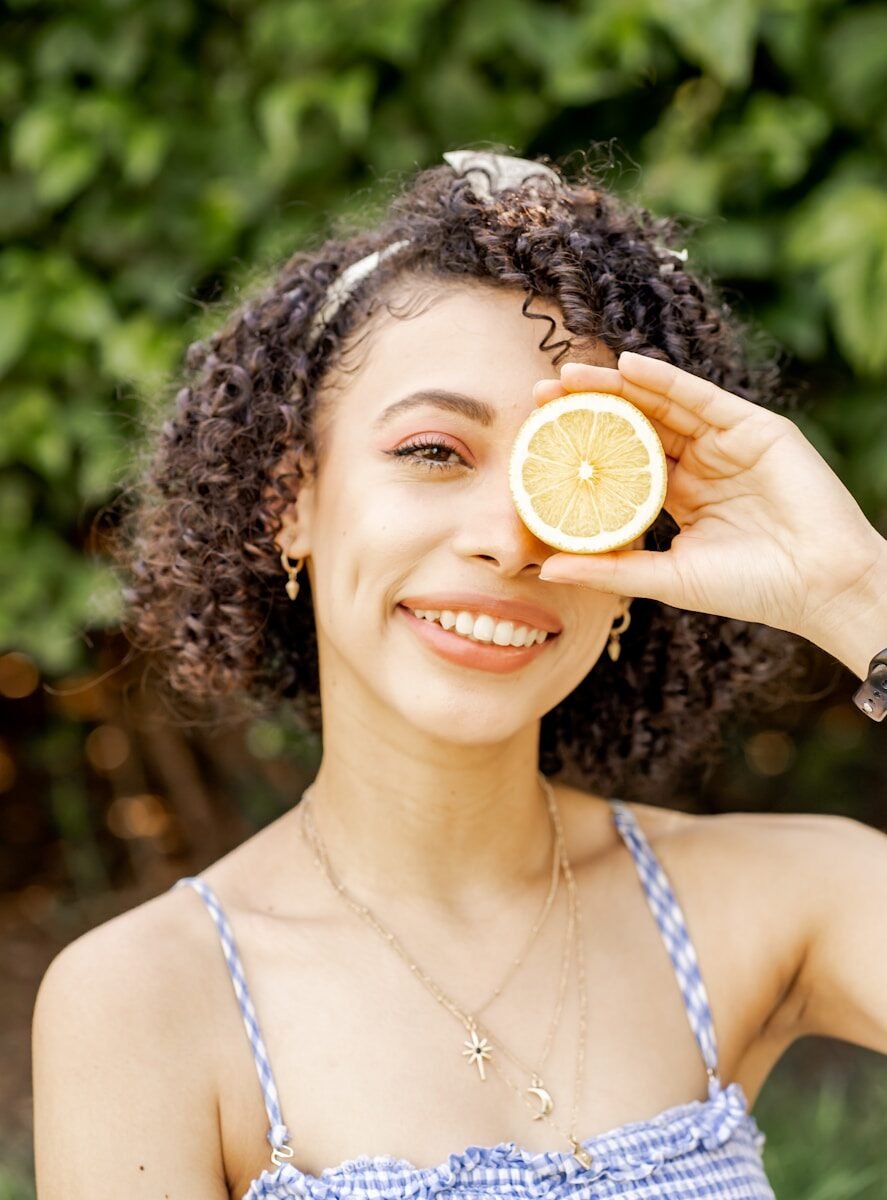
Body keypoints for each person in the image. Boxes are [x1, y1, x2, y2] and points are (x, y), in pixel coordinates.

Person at [32, 151, 887, 1200]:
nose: (507, 541)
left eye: (566, 474)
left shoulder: (783, 901)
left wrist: (854, 593)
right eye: (435, 451)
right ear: (286, 502)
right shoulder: (146, 1001)